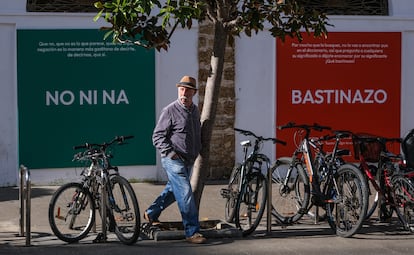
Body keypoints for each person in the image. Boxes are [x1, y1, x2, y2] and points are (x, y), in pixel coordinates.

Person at [144, 75, 206, 244]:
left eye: (187, 90)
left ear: (194, 92)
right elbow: (157, 136)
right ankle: (192, 231)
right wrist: (171, 153)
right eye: (181, 89)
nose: (184, 93)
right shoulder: (170, 110)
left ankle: (151, 212)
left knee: (172, 192)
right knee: (186, 193)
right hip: (173, 159)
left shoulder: (194, 110)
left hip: (188, 160)